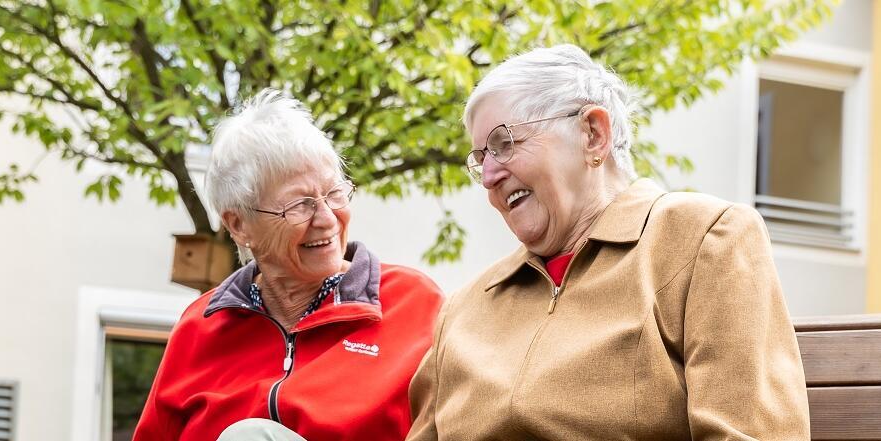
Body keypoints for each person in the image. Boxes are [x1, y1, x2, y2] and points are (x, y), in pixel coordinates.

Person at [407, 45, 810, 440]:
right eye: (481, 159)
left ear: (593, 134)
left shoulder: (705, 239)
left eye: (504, 144)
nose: (490, 175)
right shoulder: (464, 309)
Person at [133, 90, 444, 441]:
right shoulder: (199, 327)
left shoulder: (414, 304)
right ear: (239, 225)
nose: (327, 219)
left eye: (334, 194)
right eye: (300, 205)